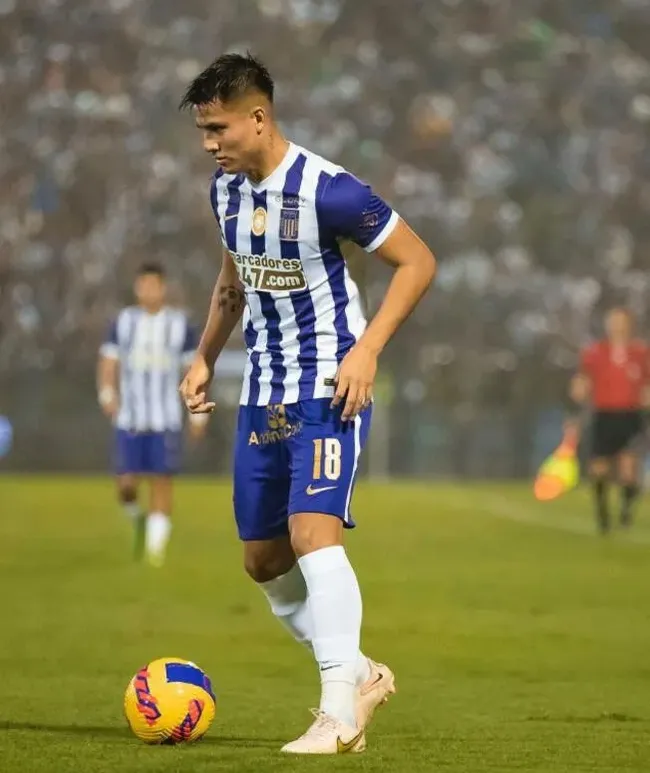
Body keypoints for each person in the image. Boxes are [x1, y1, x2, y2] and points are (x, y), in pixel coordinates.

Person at [178, 53, 436, 754]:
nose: (210, 143)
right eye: (204, 131)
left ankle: (338, 713)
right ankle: (359, 671)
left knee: (312, 535)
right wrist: (203, 355)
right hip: (263, 396)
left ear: (258, 117)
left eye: (218, 128)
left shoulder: (331, 190)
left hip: (330, 388)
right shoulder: (224, 192)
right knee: (262, 561)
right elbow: (232, 284)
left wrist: (369, 347)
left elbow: (418, 260)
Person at [97, 263, 207, 566]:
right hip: (130, 416)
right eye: (142, 285)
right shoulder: (123, 322)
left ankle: (154, 554)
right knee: (126, 485)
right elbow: (108, 361)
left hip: (165, 417)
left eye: (153, 285)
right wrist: (107, 394)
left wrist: (197, 413)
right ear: (137, 288)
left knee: (162, 481)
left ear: (163, 287)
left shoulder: (180, 324)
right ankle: (137, 518)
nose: (148, 291)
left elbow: (192, 370)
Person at [570, 307, 650, 533]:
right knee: (599, 468)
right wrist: (579, 389)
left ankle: (625, 511)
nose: (617, 326)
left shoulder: (640, 353)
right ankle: (603, 515)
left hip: (630, 415)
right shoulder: (596, 352)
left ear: (629, 324)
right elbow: (582, 379)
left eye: (621, 321)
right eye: (613, 321)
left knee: (628, 468)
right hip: (604, 415)